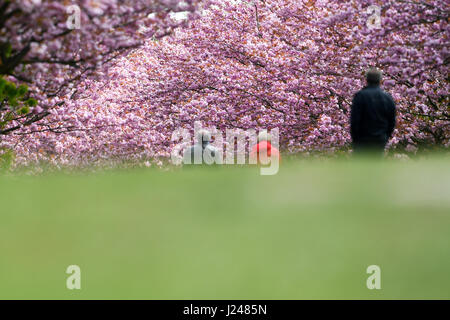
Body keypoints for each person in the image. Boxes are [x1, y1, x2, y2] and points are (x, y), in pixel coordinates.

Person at [350, 69, 396, 154]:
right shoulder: (387, 98)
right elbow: (392, 121)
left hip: (363, 139)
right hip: (380, 138)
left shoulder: (360, 96)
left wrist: (355, 139)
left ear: (366, 80)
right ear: (380, 80)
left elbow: (355, 120)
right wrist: (386, 136)